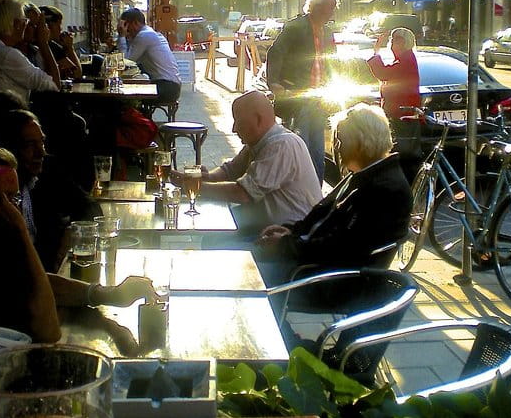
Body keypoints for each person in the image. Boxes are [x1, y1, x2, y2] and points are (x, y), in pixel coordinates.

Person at [0, 141, 161, 342]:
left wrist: (107, 294)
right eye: (2, 199)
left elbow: (27, 281)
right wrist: (20, 234)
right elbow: (47, 330)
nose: (14, 209)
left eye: (15, 198)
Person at [255, 103, 413, 286]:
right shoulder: (367, 174)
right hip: (312, 264)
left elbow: (342, 248)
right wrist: (292, 231)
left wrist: (285, 245)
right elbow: (323, 214)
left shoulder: (385, 190)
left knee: (246, 272)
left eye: (340, 140)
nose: (337, 147)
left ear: (361, 142)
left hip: (324, 280)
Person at [175, 90, 322, 235]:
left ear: (258, 119)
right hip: (265, 225)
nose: (234, 129)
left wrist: (195, 187)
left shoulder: (282, 145)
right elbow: (229, 170)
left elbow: (243, 193)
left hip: (290, 235)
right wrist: (209, 177)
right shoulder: (260, 142)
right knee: (210, 228)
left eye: (238, 121)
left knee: (213, 236)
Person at [0, 109, 102, 273]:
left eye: (42, 142)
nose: (41, 152)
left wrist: (73, 230)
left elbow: (90, 205)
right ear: (9, 149)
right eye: (30, 145)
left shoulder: (48, 170)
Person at [266, 0, 340, 184]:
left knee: (317, 152)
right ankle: (297, 189)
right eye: (329, 7)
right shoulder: (296, 27)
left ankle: (315, 192)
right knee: (300, 148)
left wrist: (333, 87)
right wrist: (274, 82)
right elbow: (276, 52)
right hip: (297, 97)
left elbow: (331, 62)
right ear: (316, 6)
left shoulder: (328, 32)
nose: (332, 12)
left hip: (318, 100)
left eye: (333, 7)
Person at [0, 0, 60, 103]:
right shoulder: (7, 55)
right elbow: (54, 86)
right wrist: (43, 43)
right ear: (17, 24)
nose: (26, 25)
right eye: (25, 21)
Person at [366, 27, 421, 182]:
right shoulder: (404, 59)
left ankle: (406, 186)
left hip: (402, 116)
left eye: (394, 40)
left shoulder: (406, 60)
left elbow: (383, 73)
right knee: (403, 156)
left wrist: (376, 51)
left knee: (403, 157)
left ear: (403, 43)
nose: (391, 44)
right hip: (402, 115)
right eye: (391, 40)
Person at [116, 7, 181, 104]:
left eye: (127, 26)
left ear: (135, 23)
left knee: (124, 97)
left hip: (166, 86)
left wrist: (121, 36)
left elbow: (125, 61)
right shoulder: (149, 33)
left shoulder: (144, 35)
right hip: (171, 85)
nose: (127, 30)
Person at [39, 5, 83, 79]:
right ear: (50, 26)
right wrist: (70, 48)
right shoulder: (52, 47)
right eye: (59, 24)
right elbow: (76, 73)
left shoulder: (51, 45)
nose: (61, 29)